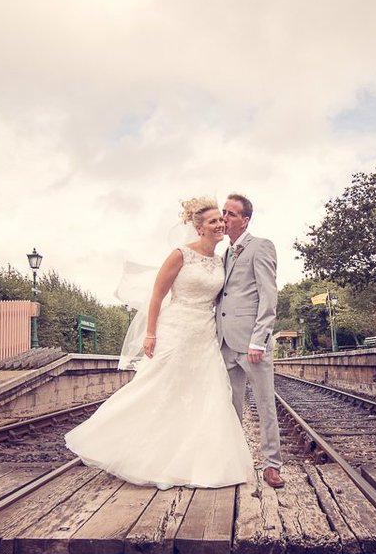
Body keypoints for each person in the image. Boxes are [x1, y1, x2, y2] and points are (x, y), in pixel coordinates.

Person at [64, 198, 254, 489]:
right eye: (213, 221)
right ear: (199, 227)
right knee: (159, 387)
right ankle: (120, 446)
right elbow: (156, 295)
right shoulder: (180, 255)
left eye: (222, 220)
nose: (220, 224)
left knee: (205, 393)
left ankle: (195, 462)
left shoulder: (221, 260)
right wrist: (150, 333)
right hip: (175, 329)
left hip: (204, 334)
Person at [216, 193, 285, 488]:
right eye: (223, 212)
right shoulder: (224, 254)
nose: (224, 217)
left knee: (265, 403)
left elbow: (268, 297)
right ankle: (236, 461)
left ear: (244, 220)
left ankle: (271, 464)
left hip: (251, 343)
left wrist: (259, 340)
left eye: (230, 214)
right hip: (224, 342)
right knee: (229, 405)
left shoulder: (261, 247)